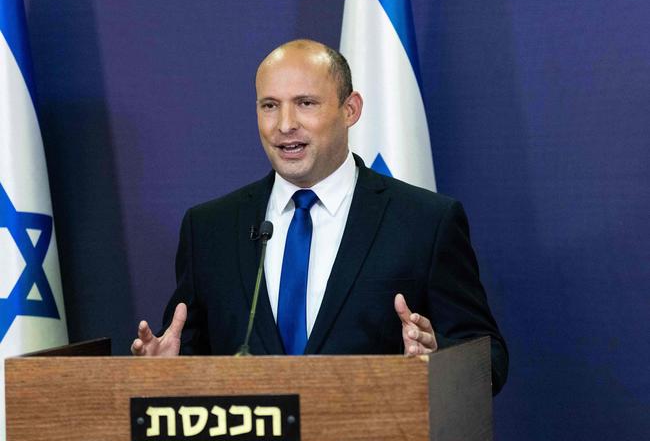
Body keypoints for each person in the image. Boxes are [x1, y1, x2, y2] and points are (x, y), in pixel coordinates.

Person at [131, 39, 508, 395]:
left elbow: (489, 360)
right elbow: (191, 347)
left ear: (350, 109)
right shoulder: (210, 228)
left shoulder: (425, 221)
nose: (284, 125)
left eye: (306, 103)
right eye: (269, 105)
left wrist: (437, 356)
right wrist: (167, 370)